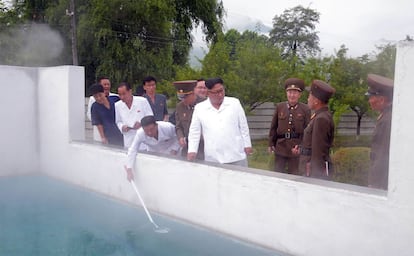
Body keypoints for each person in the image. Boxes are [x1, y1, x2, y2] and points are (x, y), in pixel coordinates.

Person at [187, 77, 252, 166]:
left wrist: (247, 144)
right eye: (216, 92)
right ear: (208, 93)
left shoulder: (234, 103)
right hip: (213, 157)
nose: (220, 94)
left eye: (221, 90)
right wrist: (192, 150)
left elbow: (243, 126)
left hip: (236, 154)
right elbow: (194, 131)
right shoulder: (200, 108)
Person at [292, 80, 335, 180]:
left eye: (309, 96)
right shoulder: (319, 116)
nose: (307, 99)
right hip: (309, 167)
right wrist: (301, 149)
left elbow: (318, 152)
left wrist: (315, 176)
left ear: (316, 101)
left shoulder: (321, 119)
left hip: (313, 172)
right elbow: (312, 144)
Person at [268, 78, 311, 175]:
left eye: (295, 93)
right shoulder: (280, 107)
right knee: (278, 175)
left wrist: (301, 147)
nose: (292, 95)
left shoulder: (305, 109)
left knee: (294, 176)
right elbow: (274, 127)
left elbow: (307, 131)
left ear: (299, 95)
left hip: (295, 148)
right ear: (286, 93)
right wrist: (271, 143)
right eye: (290, 92)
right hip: (281, 146)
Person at [124, 115, 181, 181]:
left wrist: (174, 149)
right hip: (154, 153)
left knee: (172, 174)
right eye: (146, 130)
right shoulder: (140, 134)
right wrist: (129, 169)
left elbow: (178, 137)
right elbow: (133, 149)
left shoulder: (167, 127)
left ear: (156, 125)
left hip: (172, 152)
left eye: (151, 129)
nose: (149, 132)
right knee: (157, 175)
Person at [365, 74, 394, 190]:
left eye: (371, 97)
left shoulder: (387, 120)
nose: (369, 101)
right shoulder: (386, 116)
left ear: (381, 100)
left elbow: (382, 155)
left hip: (381, 182)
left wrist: (374, 183)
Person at [115, 82, 153, 148]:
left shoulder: (142, 101)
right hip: (128, 139)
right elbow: (118, 121)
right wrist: (122, 127)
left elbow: (151, 117)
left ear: (130, 91)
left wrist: (141, 123)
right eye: (120, 95)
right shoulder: (117, 105)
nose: (122, 97)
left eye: (124, 94)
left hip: (143, 138)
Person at [174, 80, 204, 160]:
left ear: (193, 93)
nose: (183, 100)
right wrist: (180, 137)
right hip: (187, 146)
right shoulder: (180, 107)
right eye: (181, 97)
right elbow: (178, 126)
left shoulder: (204, 105)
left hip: (203, 147)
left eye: (185, 97)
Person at [87, 76, 118, 142]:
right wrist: (103, 137)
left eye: (100, 95)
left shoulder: (115, 99)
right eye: (96, 97)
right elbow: (97, 122)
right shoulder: (95, 106)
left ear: (103, 93)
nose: (98, 98)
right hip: (107, 134)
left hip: (119, 131)